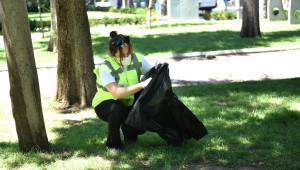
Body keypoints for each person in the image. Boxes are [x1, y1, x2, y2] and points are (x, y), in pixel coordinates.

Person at [92, 31, 153, 150]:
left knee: (136, 130)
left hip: (128, 100)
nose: (126, 57)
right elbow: (117, 93)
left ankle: (128, 132)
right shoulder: (106, 67)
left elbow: (152, 75)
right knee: (116, 110)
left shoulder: (138, 59)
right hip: (106, 102)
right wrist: (142, 85)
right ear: (114, 52)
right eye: (122, 54)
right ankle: (113, 144)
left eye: (128, 51)